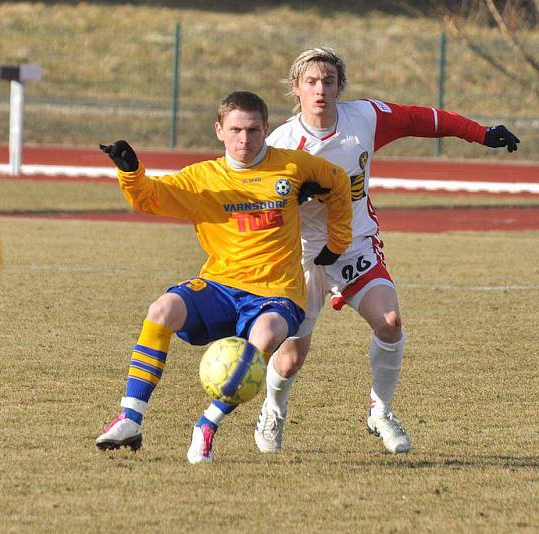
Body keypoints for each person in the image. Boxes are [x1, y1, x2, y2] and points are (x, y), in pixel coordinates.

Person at [256, 46, 520, 455]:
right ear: (296, 88)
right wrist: (297, 200)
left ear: (341, 85)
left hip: (355, 246)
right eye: (310, 82)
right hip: (303, 256)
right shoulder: (281, 143)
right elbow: (261, 207)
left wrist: (481, 134)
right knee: (290, 360)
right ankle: (273, 411)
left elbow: (424, 119)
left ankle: (380, 412)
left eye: (328, 81)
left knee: (391, 322)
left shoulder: (363, 118)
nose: (320, 89)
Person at [96, 90, 353, 464]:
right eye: (235, 130)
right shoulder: (203, 178)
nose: (244, 140)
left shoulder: (295, 167)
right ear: (219, 130)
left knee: (265, 335)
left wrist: (338, 241)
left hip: (277, 293)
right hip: (220, 285)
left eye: (252, 130)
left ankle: (207, 425)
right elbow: (149, 198)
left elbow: (339, 183)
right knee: (163, 308)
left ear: (266, 128)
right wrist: (131, 172)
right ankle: (130, 418)